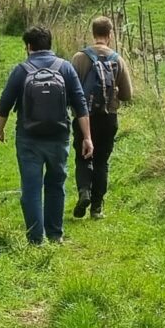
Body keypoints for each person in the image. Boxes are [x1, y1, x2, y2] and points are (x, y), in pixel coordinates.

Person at [0, 25, 93, 246]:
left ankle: (35, 239)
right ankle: (55, 235)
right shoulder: (65, 68)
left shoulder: (21, 70)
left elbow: (3, 105)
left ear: (28, 46)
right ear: (50, 44)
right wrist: (87, 137)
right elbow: (80, 104)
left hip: (28, 138)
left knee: (31, 187)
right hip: (58, 137)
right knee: (56, 184)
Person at [69, 15, 135, 220]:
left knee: (82, 157)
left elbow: (70, 90)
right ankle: (97, 208)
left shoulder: (79, 58)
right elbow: (127, 95)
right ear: (110, 35)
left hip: (83, 117)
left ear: (93, 33)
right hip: (108, 117)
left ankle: (84, 192)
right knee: (101, 161)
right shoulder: (118, 59)